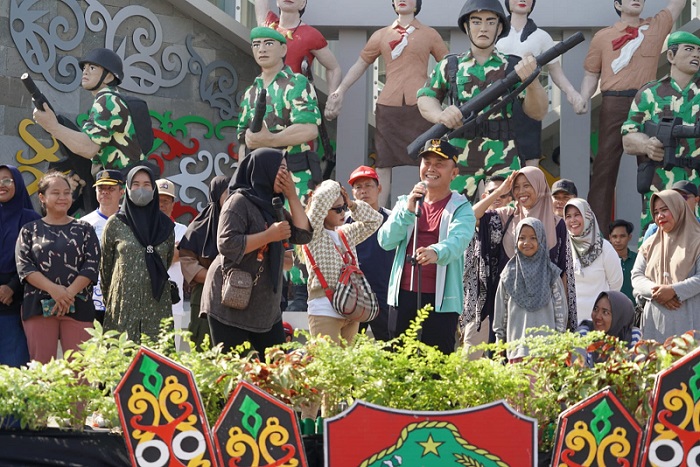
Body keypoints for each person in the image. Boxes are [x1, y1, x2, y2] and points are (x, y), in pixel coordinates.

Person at [416, 0, 549, 199]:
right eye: (476, 22)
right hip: (459, 153)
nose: (484, 28)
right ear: (467, 27)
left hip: (502, 152)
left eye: (490, 22)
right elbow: (426, 97)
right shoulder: (451, 65)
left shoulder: (513, 65)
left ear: (500, 27)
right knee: (452, 213)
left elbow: (537, 112)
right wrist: (441, 115)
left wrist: (532, 83)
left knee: (506, 216)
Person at [577, 0, 686, 236]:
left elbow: (678, 4)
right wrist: (584, 97)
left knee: (652, 165)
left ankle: (656, 230)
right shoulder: (603, 36)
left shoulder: (655, 27)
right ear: (617, 3)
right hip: (613, 101)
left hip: (647, 102)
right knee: (604, 167)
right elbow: (590, 72)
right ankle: (595, 234)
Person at [324, 0, 448, 207]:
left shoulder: (429, 34)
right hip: (388, 106)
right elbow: (361, 64)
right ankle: (376, 214)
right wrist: (340, 90)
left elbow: (448, 66)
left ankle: (428, 211)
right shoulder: (381, 35)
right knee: (383, 163)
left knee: (428, 161)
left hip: (421, 106)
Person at [201, 149, 312, 355]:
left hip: (265, 307)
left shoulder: (273, 205)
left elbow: (303, 235)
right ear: (264, 170)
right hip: (229, 301)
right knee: (234, 370)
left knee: (278, 368)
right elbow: (227, 244)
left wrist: (292, 196)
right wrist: (268, 235)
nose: (284, 175)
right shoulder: (238, 201)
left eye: (286, 171)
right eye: (280, 169)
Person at [378, 140, 475, 354]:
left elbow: (458, 242)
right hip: (402, 297)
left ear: (454, 172)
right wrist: (407, 211)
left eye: (439, 163)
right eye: (426, 162)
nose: (431, 168)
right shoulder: (406, 202)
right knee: (400, 364)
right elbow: (385, 241)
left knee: (436, 367)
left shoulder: (461, 208)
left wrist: (435, 252)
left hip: (441, 301)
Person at [471, 166, 578, 333]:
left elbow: (563, 271)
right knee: (507, 356)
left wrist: (563, 317)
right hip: (508, 308)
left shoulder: (557, 225)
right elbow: (471, 216)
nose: (521, 191)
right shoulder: (506, 216)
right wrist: (499, 191)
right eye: (517, 187)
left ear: (539, 186)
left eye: (527, 185)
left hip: (545, 310)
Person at [15, 172, 100, 363]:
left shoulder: (85, 229)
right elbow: (25, 267)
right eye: (56, 192)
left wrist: (68, 294)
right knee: (41, 368)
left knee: (80, 370)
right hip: (38, 307)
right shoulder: (30, 230)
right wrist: (54, 291)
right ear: (42, 197)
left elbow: (91, 265)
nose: (63, 197)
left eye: (67, 192)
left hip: (78, 305)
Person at [622, 30, 699, 236]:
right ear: (671, 56)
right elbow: (628, 137)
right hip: (660, 187)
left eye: (699, 51)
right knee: (654, 245)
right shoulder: (649, 94)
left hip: (697, 187)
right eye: (689, 49)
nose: (696, 55)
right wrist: (646, 145)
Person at [237, 26, 321, 200]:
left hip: (295, 179)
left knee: (299, 226)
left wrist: (271, 140)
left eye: (268, 44)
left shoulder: (296, 83)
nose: (262, 49)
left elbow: (309, 129)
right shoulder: (250, 92)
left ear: (283, 49)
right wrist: (242, 177)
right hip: (258, 181)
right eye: (256, 45)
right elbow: (243, 141)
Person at [496, 0, 583, 167]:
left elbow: (555, 71)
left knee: (529, 157)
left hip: (528, 99)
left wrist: (572, 93)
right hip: (497, 102)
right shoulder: (494, 30)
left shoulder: (542, 36)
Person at [32, 48, 146, 171]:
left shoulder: (108, 101)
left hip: (120, 185)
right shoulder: (111, 99)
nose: (85, 72)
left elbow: (88, 148)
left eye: (92, 68)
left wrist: (52, 126)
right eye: (84, 68)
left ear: (108, 77)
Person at [303, 179, 382, 345]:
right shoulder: (314, 233)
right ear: (324, 210)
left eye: (344, 208)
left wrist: (352, 204)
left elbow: (375, 220)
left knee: (347, 369)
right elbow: (320, 200)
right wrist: (336, 187)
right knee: (326, 367)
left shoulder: (345, 233)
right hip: (324, 310)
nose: (342, 213)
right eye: (337, 209)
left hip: (351, 310)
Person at [101, 166, 174, 343]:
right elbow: (105, 269)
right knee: (120, 363)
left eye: (147, 184)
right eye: (136, 184)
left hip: (157, 307)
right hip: (123, 307)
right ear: (127, 188)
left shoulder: (165, 226)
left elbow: (167, 260)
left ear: (154, 189)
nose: (141, 189)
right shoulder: (116, 223)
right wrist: (113, 298)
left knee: (156, 363)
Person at [493, 218, 567, 362]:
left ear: (541, 240)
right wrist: (499, 339)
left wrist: (560, 339)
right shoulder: (509, 274)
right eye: (521, 238)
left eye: (533, 238)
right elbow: (500, 310)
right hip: (517, 349)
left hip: (546, 351)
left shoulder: (550, 273)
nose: (527, 243)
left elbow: (560, 309)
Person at [632, 190, 700, 342]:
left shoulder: (697, 240)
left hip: (689, 320)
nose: (659, 216)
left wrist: (674, 291)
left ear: (678, 209)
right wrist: (659, 293)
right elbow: (636, 276)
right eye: (656, 212)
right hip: (654, 324)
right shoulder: (650, 244)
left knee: (687, 363)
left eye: (664, 210)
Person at [461, 174, 513, 359]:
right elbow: (472, 214)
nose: (499, 197)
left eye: (505, 194)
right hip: (480, 299)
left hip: (509, 298)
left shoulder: (517, 220)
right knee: (470, 359)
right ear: (484, 196)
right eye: (493, 192)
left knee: (503, 358)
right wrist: (499, 191)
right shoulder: (482, 219)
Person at [178, 176, 230, 349]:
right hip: (204, 297)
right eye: (228, 192)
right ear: (216, 195)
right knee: (205, 348)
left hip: (237, 297)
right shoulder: (198, 229)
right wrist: (218, 276)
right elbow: (188, 264)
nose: (233, 197)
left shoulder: (241, 223)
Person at [346, 165, 395, 341]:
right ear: (352, 192)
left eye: (368, 186)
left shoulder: (392, 219)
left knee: (391, 347)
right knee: (348, 348)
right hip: (353, 294)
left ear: (379, 188)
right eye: (358, 187)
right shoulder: (343, 221)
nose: (364, 191)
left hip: (385, 293)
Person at [0, 165, 41, 367]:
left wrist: (12, 286)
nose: (2, 185)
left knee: (13, 367)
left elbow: (37, 258)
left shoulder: (31, 219)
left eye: (7, 180)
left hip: (15, 303)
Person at [254, 0, 341, 92]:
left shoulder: (311, 35)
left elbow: (334, 68)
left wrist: (332, 97)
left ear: (302, 3)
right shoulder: (268, 27)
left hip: (296, 99)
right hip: (267, 98)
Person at [564, 198, 623, 324]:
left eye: (577, 215)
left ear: (587, 216)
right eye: (568, 216)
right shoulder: (563, 247)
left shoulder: (603, 247)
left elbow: (616, 285)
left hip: (598, 323)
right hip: (569, 324)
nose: (572, 220)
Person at [81, 169, 125, 324]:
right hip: (90, 299)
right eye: (101, 188)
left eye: (111, 188)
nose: (105, 192)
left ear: (122, 192)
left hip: (122, 299)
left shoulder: (130, 222)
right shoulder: (84, 224)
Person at [155, 179, 188, 321]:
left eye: (166, 201)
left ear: (173, 204)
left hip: (174, 306)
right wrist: (171, 249)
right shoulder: (142, 229)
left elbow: (177, 256)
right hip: (146, 305)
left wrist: (153, 250)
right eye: (158, 200)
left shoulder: (183, 230)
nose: (161, 205)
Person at [577, 291, 641, 344]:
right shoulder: (584, 333)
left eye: (605, 312)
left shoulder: (632, 336)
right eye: (595, 309)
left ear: (619, 318)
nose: (597, 317)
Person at [608, 218, 638, 304]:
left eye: (622, 236)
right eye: (614, 236)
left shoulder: (638, 260)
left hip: (634, 311)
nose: (618, 240)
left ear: (629, 237)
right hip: (611, 310)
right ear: (610, 238)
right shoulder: (605, 260)